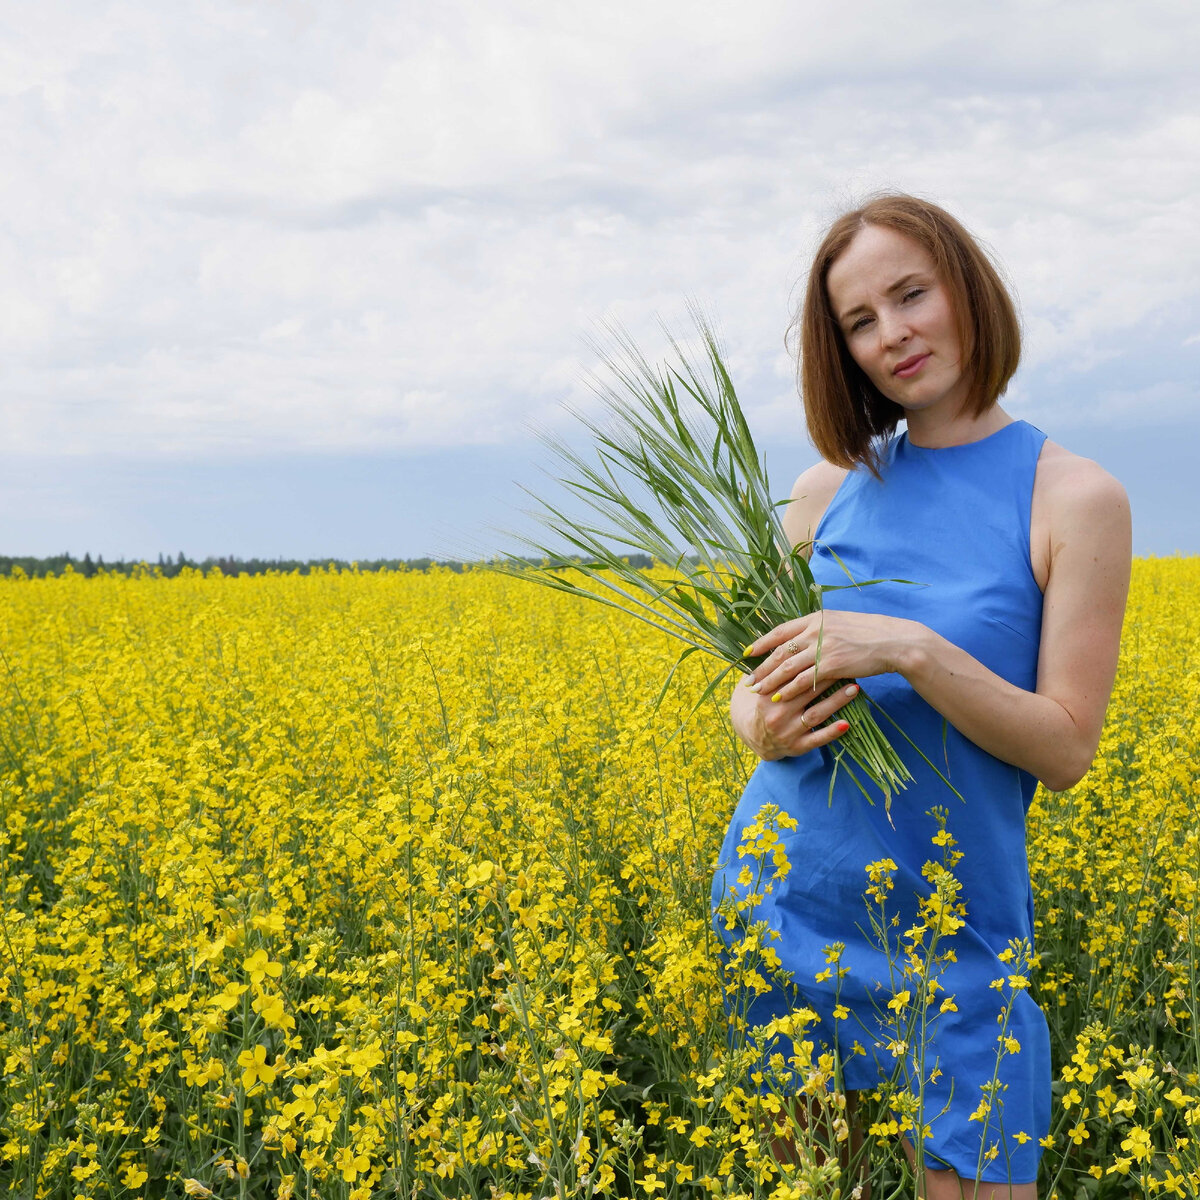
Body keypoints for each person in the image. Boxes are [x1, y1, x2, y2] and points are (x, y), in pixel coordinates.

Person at [710, 194, 1131, 1198]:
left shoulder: (1075, 498)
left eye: (911, 295)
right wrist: (760, 724)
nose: (892, 333)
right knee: (817, 1186)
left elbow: (1066, 750)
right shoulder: (824, 492)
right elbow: (751, 689)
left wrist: (909, 648)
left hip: (957, 932)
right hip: (791, 902)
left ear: (967, 290)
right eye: (859, 321)